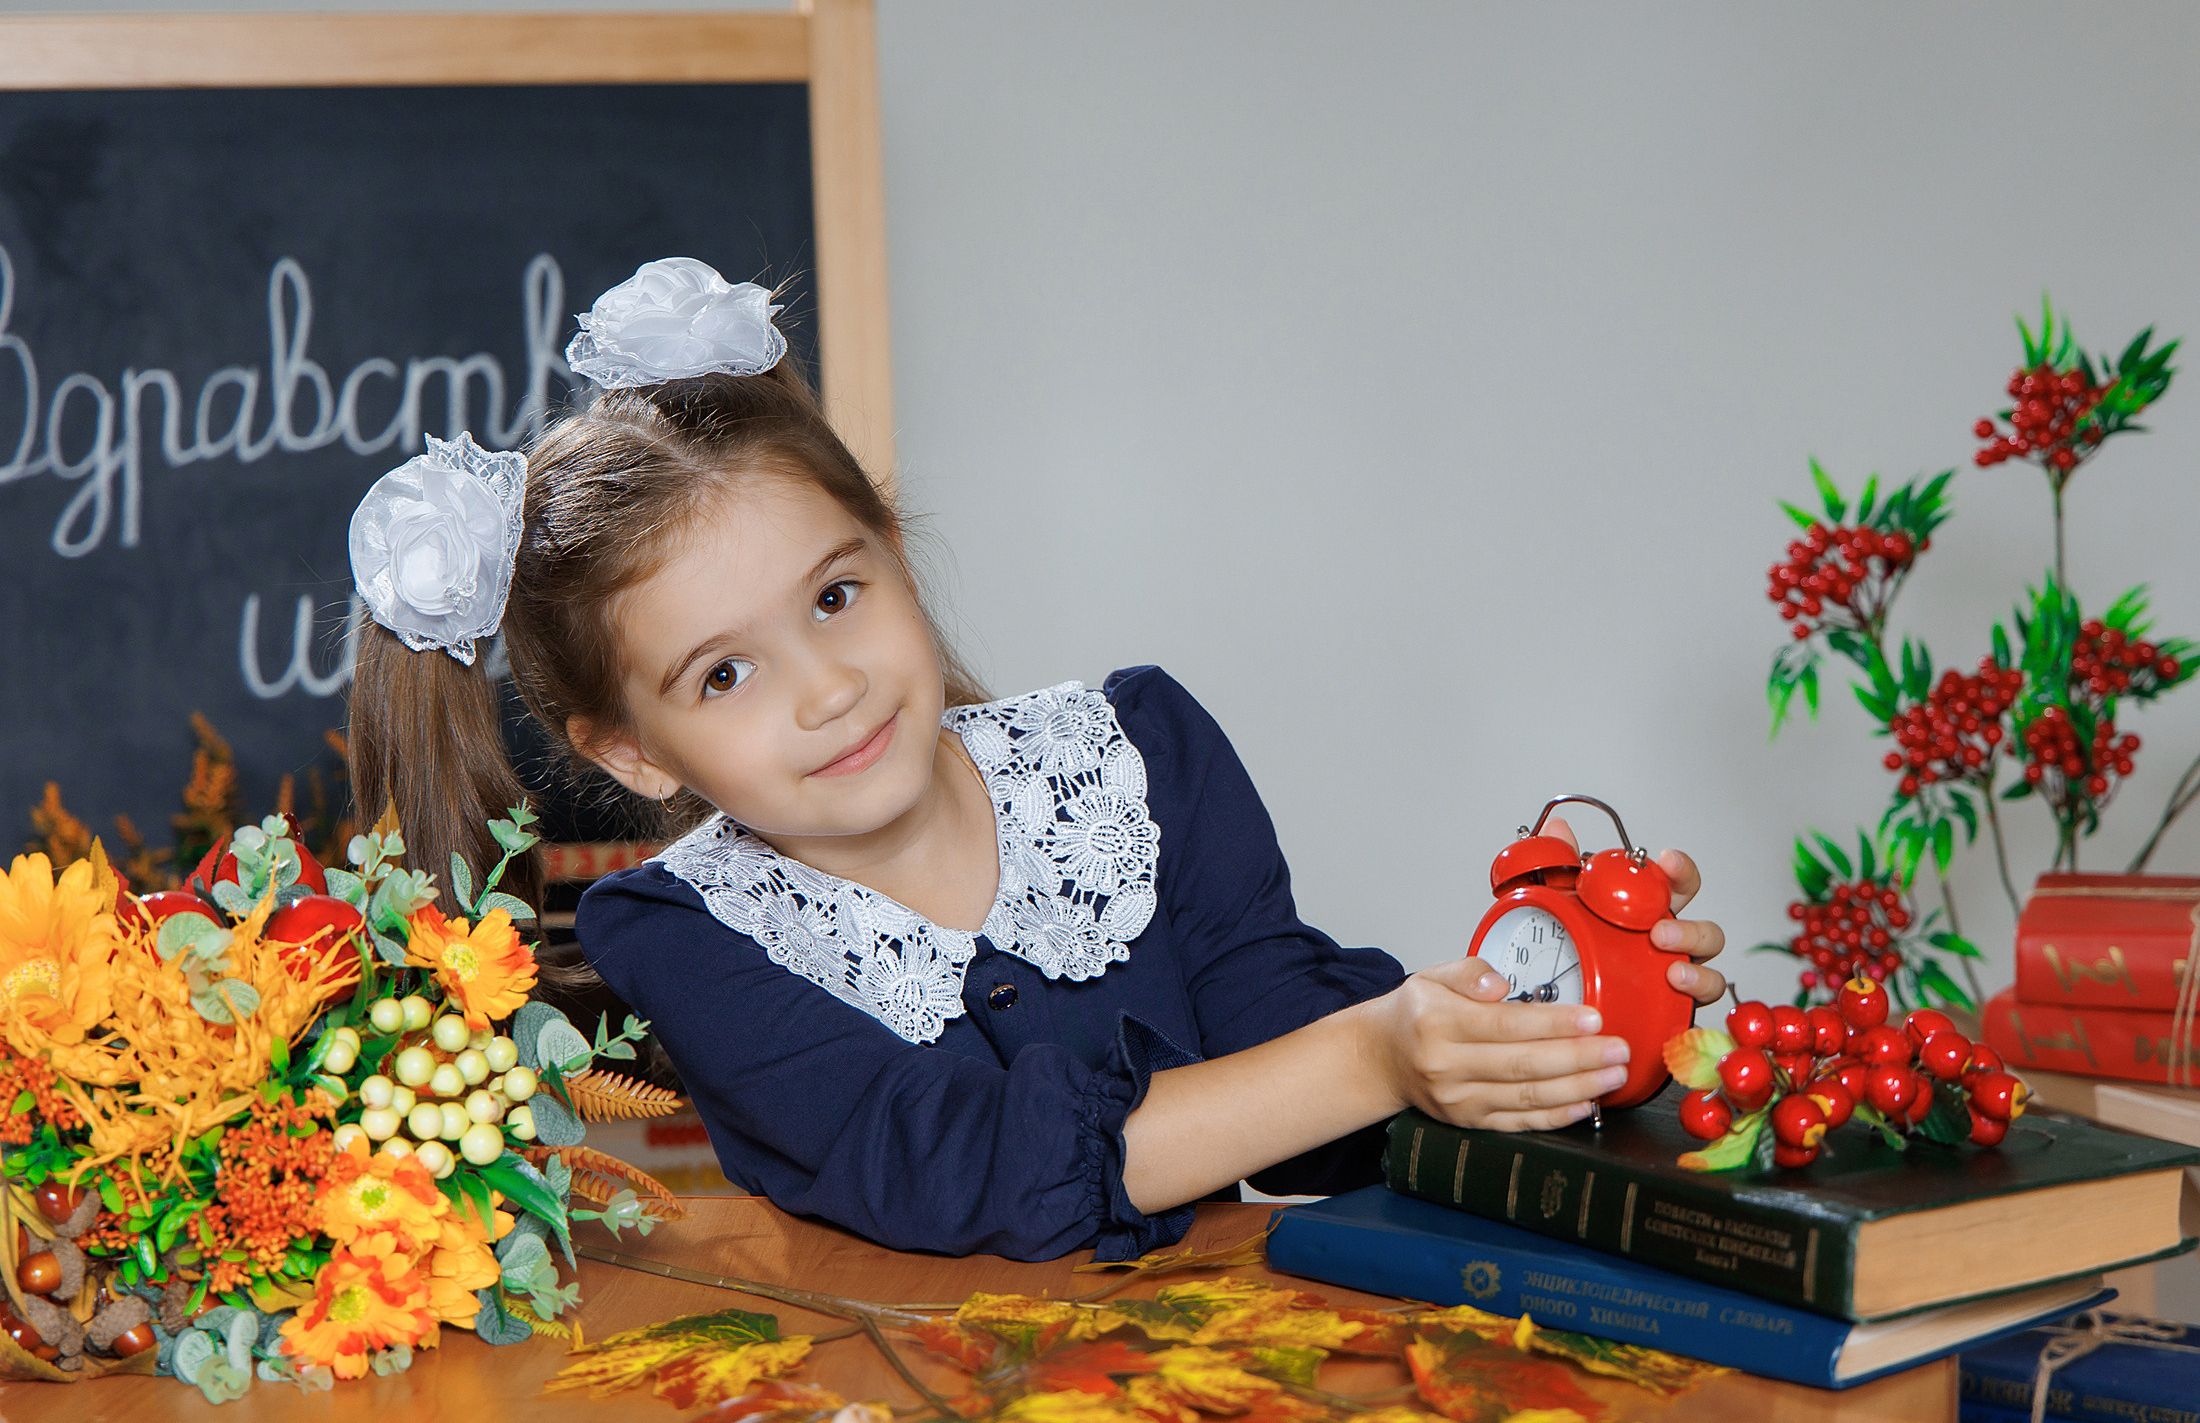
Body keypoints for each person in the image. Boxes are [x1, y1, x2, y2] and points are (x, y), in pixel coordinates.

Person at [345, 257, 1728, 1262]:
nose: (829, 687)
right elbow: (949, 1162)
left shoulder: (1140, 755)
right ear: (635, 754)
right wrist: (1382, 1054)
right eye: (725, 673)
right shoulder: (680, 931)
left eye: (836, 595)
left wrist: (1549, 1027)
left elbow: (1303, 1080)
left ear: (895, 550)